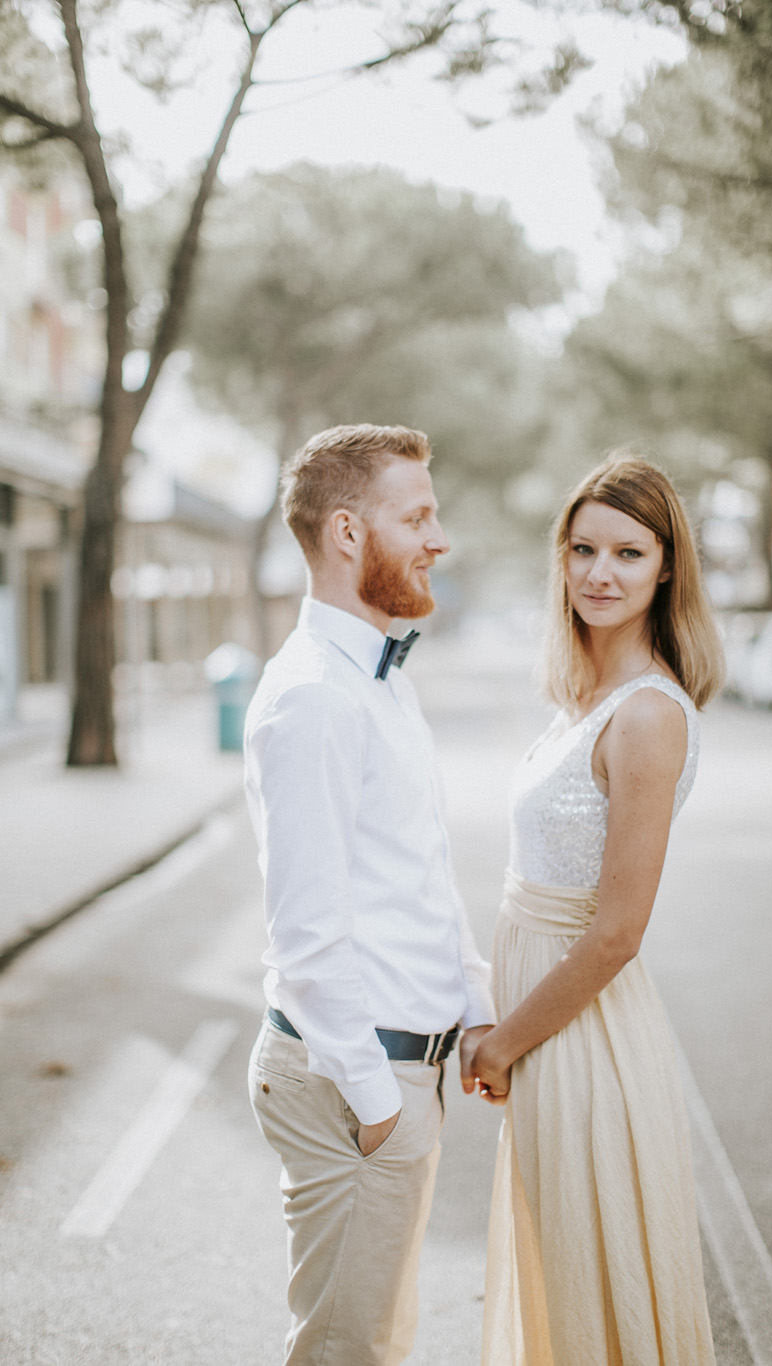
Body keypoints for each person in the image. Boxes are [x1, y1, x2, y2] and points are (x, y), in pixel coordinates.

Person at [466, 451, 726, 1366]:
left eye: (627, 553)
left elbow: (616, 931)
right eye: (582, 549)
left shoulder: (648, 714)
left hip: (581, 1036)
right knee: (557, 1277)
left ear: (666, 567)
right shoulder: (582, 696)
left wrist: (502, 1040)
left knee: (588, 1286)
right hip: (549, 1023)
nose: (599, 573)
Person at [244, 423, 496, 1366]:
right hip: (360, 1083)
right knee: (348, 1353)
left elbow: (417, 876)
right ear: (348, 533)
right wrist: (373, 1103)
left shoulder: (381, 681)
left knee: (377, 1342)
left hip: (403, 1074)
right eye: (419, 516)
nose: (439, 538)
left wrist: (472, 1011)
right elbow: (304, 938)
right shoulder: (312, 696)